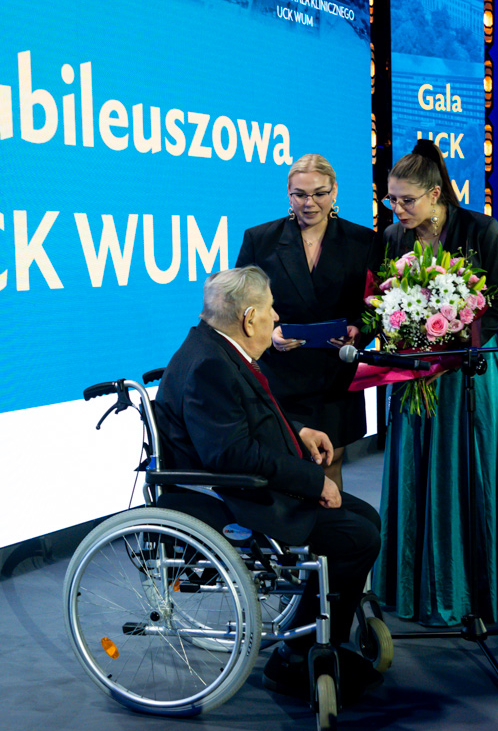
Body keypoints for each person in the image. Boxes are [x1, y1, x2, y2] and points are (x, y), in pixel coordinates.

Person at [153, 265, 383, 699]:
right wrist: (314, 481)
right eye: (272, 308)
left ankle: (315, 640)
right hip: (234, 496)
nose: (277, 317)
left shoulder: (216, 350)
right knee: (357, 537)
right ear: (249, 318)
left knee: (366, 518)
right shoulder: (209, 366)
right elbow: (232, 455)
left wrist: (299, 431)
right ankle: (300, 655)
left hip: (248, 482)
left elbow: (246, 421)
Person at [372, 139, 498, 627]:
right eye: (392, 199)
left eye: (406, 200)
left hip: (466, 375)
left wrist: (452, 341)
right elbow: (384, 302)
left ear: (435, 194)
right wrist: (403, 333)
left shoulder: (481, 229)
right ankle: (411, 590)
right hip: (413, 373)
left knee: (463, 475)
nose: (397, 209)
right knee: (414, 472)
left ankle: (465, 590)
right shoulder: (394, 236)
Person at [236, 154, 381, 492]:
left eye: (319, 193)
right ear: (288, 194)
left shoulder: (363, 240)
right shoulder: (260, 239)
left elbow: (377, 304)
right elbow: (242, 304)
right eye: (300, 194)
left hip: (335, 374)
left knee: (331, 461)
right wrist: (268, 334)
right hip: (281, 373)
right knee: (284, 464)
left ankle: (330, 528)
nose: (309, 203)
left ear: (334, 192)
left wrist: (359, 331)